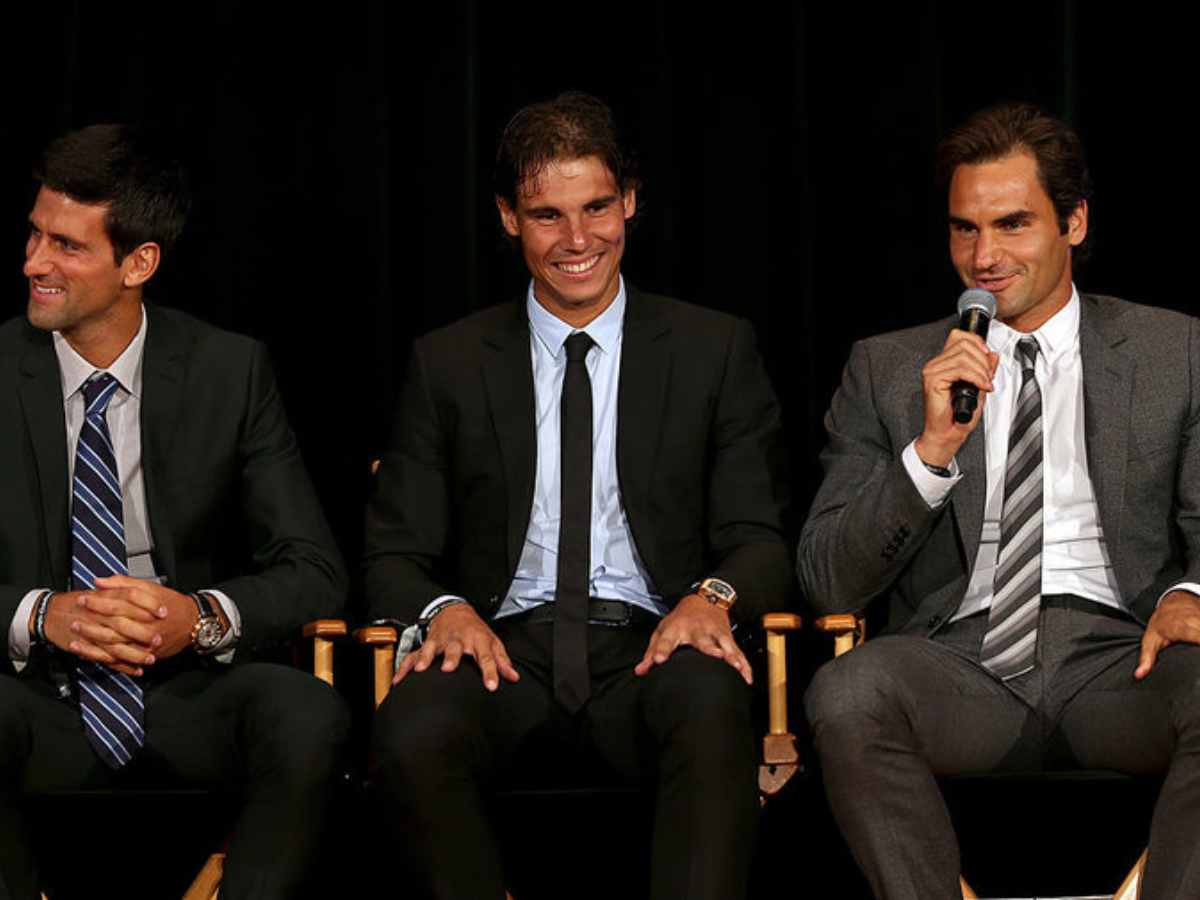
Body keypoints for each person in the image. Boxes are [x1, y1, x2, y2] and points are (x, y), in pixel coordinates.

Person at [365, 92, 792, 900]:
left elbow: (760, 537)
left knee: (710, 707)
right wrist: (446, 611)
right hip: (503, 647)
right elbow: (392, 555)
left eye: (596, 207)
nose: (577, 239)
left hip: (652, 642)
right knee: (412, 725)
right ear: (507, 218)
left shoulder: (712, 349)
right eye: (546, 214)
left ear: (629, 200)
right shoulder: (448, 362)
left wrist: (711, 598)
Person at [799, 101, 1200, 899]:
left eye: (1012, 225)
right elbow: (829, 579)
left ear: (1074, 222)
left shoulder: (1174, 350)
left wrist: (1190, 595)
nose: (983, 256)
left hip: (1124, 655)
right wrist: (930, 452)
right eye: (963, 229)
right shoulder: (887, 368)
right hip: (960, 659)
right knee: (846, 691)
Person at [0, 124, 350, 900]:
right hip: (34, 698)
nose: (33, 263)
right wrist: (41, 616)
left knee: (307, 713)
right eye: (33, 234)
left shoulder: (230, 371)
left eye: (66, 246)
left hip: (186, 692)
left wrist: (196, 618)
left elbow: (315, 570)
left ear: (139, 263)